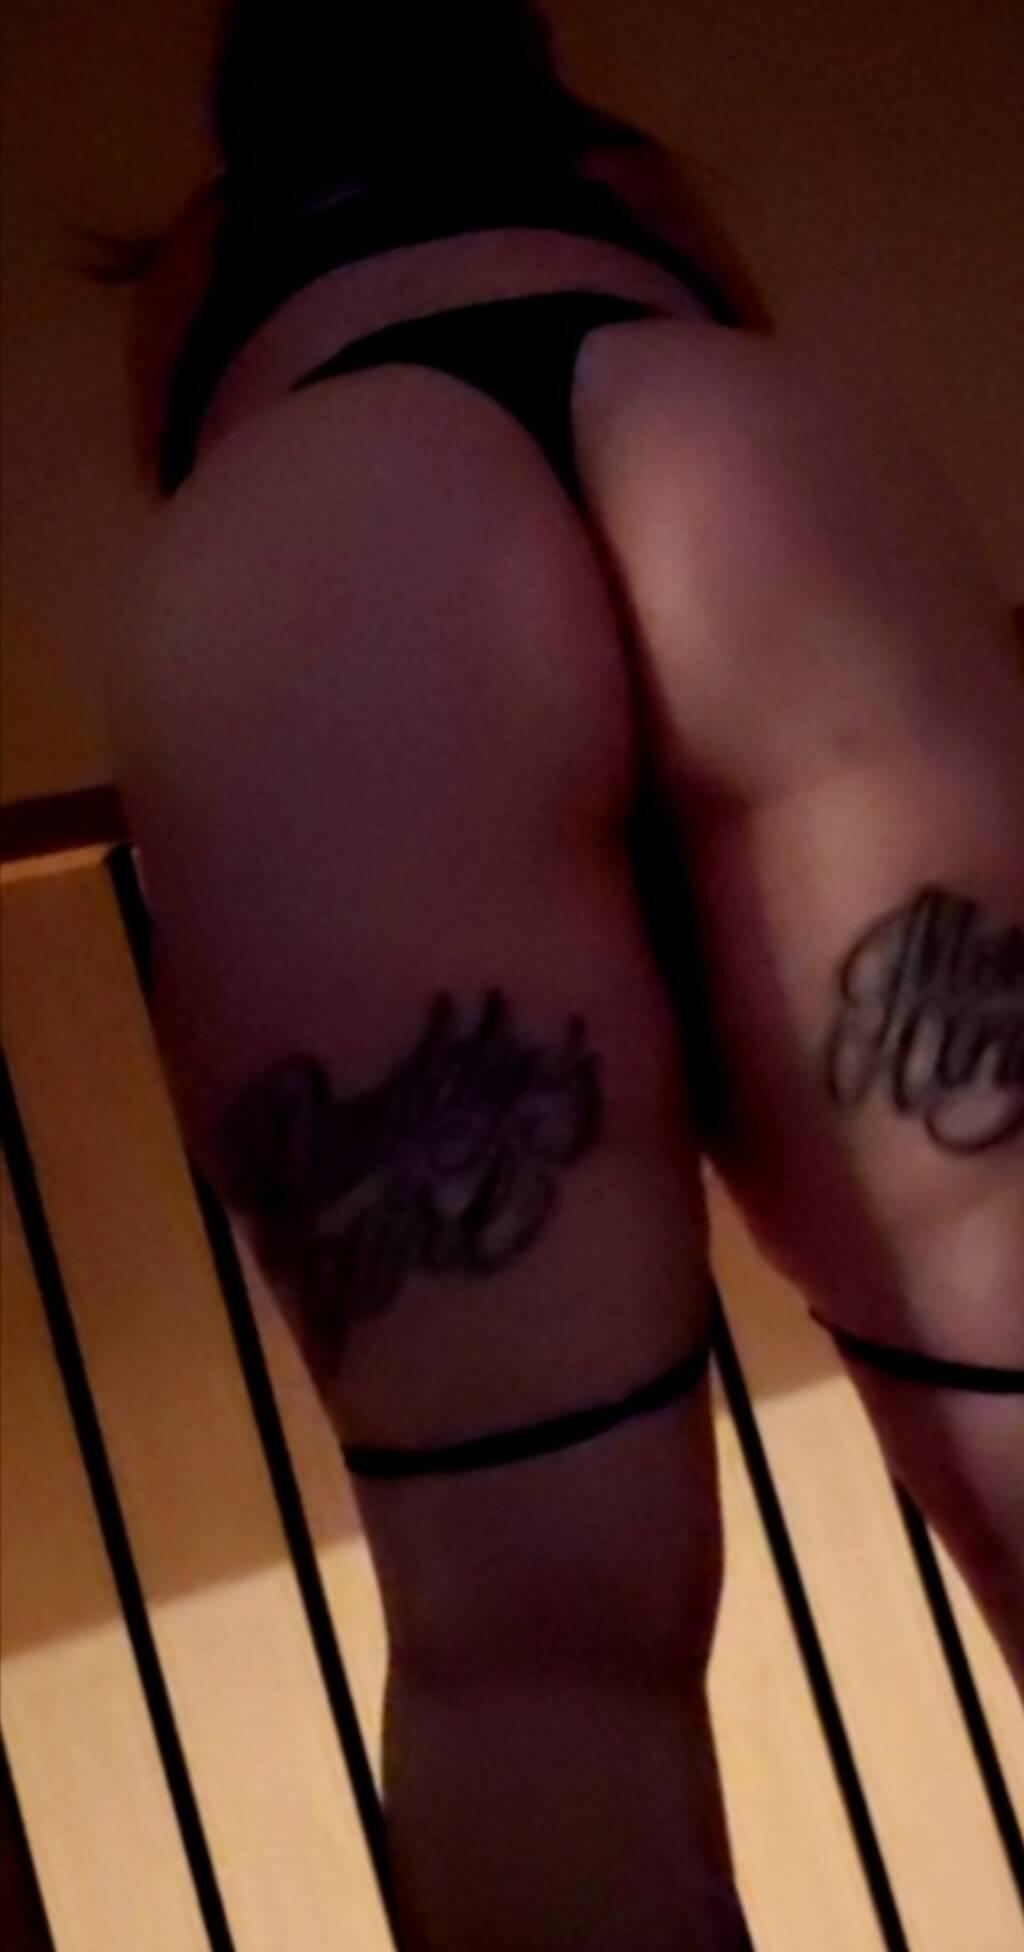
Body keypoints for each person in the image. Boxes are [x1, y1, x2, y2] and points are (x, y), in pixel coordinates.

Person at [104, 4, 1023, 1947]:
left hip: (324, 548)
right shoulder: (633, 186)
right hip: (738, 459)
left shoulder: (196, 268)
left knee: (529, 1638)